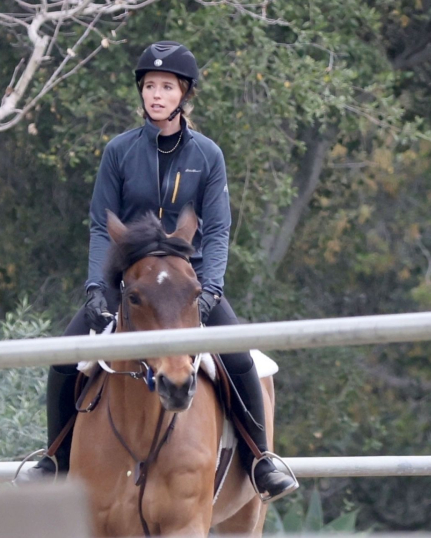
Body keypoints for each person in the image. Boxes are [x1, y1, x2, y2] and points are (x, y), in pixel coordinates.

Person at [18, 41, 297, 501]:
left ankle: (261, 459)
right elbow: (99, 223)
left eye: (166, 86)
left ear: (184, 94)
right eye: (149, 86)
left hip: (190, 284)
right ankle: (54, 458)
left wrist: (210, 290)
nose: (156, 94)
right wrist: (95, 287)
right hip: (128, 280)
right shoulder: (119, 151)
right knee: (64, 358)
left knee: (241, 358)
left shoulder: (208, 155)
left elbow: (220, 229)